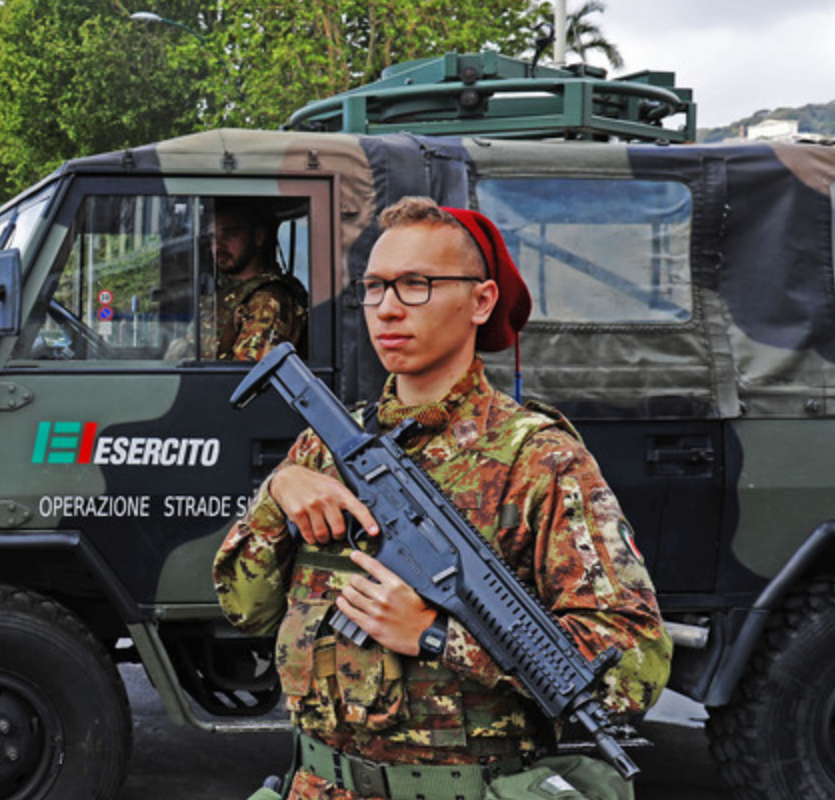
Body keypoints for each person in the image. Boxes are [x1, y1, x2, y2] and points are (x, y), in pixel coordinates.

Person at [212, 197, 670, 800]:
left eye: (417, 285)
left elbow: (635, 662)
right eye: (374, 288)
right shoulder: (323, 446)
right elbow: (243, 608)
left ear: (481, 301)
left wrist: (436, 636)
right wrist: (277, 495)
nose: (388, 308)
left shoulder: (539, 462)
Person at [207, 199, 308, 362]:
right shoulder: (221, 294)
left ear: (258, 237)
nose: (218, 245)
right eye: (213, 236)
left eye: (230, 234)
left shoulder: (267, 301)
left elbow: (250, 371)